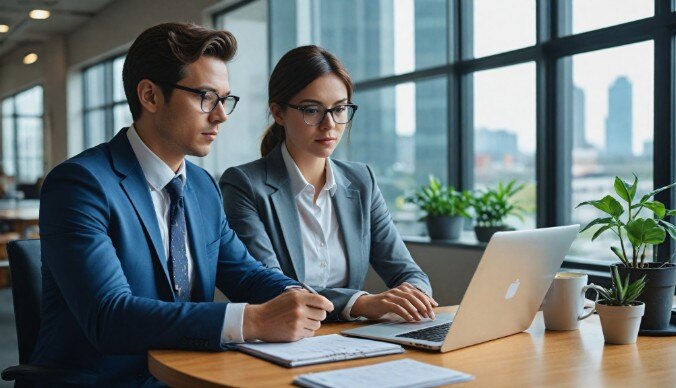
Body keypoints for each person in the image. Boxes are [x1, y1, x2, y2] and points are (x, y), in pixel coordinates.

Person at [32, 23, 333, 386]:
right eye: (206, 97)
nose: (221, 115)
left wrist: (297, 297)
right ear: (150, 96)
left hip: (192, 375)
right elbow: (109, 317)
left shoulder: (203, 187)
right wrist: (251, 321)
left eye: (225, 100)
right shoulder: (81, 184)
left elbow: (246, 274)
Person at [220, 45, 436, 323]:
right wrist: (360, 303)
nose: (329, 124)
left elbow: (409, 272)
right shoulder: (244, 184)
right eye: (312, 110)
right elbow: (270, 288)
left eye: (340, 109)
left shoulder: (362, 181)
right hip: (281, 342)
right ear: (278, 112)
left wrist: (413, 295)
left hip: (350, 340)